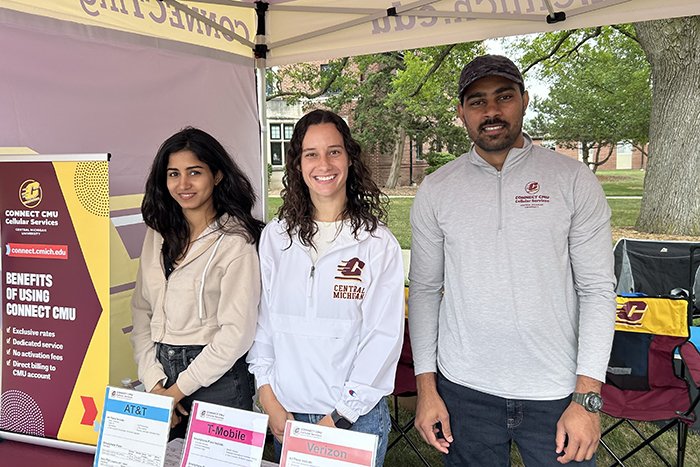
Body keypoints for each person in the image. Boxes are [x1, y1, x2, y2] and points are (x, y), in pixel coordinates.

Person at [408, 55, 616, 466]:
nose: (491, 112)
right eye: (477, 101)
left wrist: (588, 396)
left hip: (556, 392)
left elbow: (596, 290)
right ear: (461, 113)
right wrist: (427, 388)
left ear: (524, 100)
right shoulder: (437, 189)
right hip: (465, 391)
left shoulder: (572, 180)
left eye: (503, 97)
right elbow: (426, 291)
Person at [247, 109, 405, 466]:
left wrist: (340, 417)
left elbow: (382, 338)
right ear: (298, 164)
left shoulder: (377, 244)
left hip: (353, 420)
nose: (324, 163)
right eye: (311, 154)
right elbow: (264, 324)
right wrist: (268, 398)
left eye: (334, 151)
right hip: (285, 415)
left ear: (350, 158)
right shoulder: (276, 237)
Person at [130, 127, 264, 439]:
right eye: (173, 174)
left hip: (218, 380)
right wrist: (154, 382)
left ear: (216, 175)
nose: (183, 184)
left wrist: (178, 391)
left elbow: (237, 333)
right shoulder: (158, 233)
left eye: (195, 172)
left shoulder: (237, 242)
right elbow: (141, 310)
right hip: (160, 374)